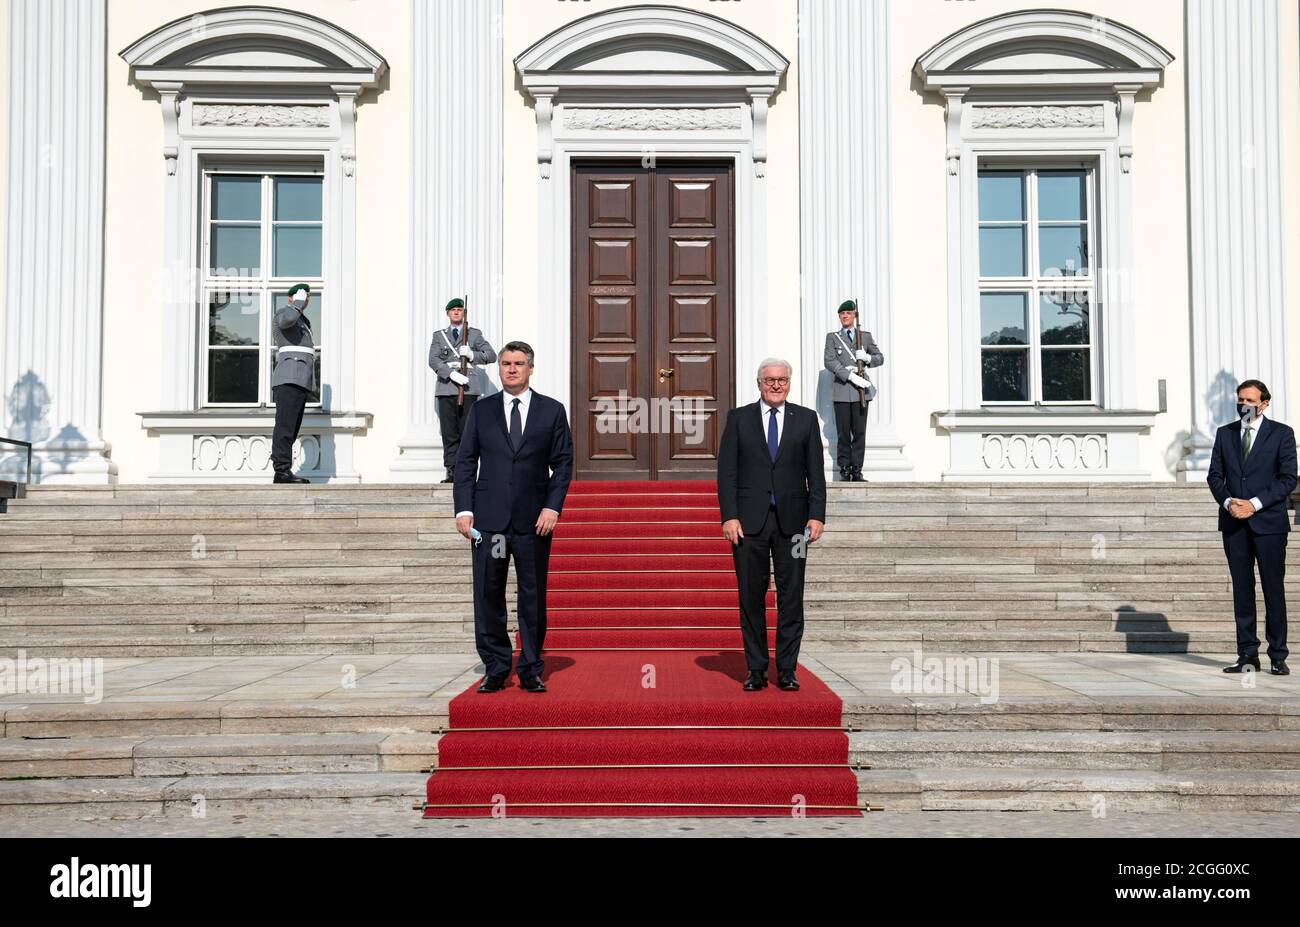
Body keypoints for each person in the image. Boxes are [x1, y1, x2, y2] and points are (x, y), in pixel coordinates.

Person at [453, 341, 574, 693]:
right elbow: (465, 462)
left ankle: (532, 667)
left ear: (530, 368)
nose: (511, 369)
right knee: (488, 594)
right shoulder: (482, 410)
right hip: (489, 524)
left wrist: (552, 507)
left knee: (532, 595)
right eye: (505, 363)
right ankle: (496, 665)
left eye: (518, 363)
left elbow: (563, 463)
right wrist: (464, 509)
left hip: (533, 523)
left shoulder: (551, 411)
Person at [717, 358, 827, 692]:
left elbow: (816, 473)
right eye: (769, 380)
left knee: (791, 597)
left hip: (794, 527)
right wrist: (729, 516)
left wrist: (817, 515)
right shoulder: (739, 419)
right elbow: (727, 473)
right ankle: (756, 668)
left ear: (789, 383)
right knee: (751, 596)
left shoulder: (806, 419)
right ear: (759, 383)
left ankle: (788, 668)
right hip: (748, 525)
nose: (776, 385)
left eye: (782, 380)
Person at [1209, 379, 1296, 676]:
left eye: (1249, 400)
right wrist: (1229, 501)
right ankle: (1247, 654)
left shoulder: (1282, 434)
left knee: (1273, 589)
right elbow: (1214, 476)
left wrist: (1255, 504)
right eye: (1240, 399)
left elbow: (1288, 479)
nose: (1243, 404)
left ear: (1264, 403)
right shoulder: (1225, 434)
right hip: (1234, 524)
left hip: (1269, 524)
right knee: (1242, 590)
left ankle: (1277, 654)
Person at [429, 297, 497, 482]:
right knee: (449, 433)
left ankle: (467, 472)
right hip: (446, 388)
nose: (457, 312)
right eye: (453, 310)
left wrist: (473, 354)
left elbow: (491, 355)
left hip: (468, 389)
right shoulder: (439, 335)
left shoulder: (474, 334)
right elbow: (433, 360)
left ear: (464, 313)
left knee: (467, 432)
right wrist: (451, 374)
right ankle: (451, 471)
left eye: (460, 309)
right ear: (448, 314)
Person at [823, 299, 883, 482]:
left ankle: (857, 470)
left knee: (859, 432)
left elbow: (880, 358)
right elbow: (829, 360)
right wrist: (848, 376)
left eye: (848, 313)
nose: (845, 316)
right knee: (843, 433)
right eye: (842, 314)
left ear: (854, 315)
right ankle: (845, 469)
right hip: (842, 389)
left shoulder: (864, 336)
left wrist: (866, 358)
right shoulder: (833, 337)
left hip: (860, 392)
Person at [270, 283, 317, 484]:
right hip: (289, 377)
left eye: (306, 297)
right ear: (291, 297)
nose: (305, 300)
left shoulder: (302, 320)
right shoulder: (285, 313)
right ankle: (281, 470)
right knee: (285, 426)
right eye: (301, 296)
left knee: (292, 426)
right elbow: (286, 321)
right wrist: (296, 304)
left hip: (299, 378)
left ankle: (284, 469)